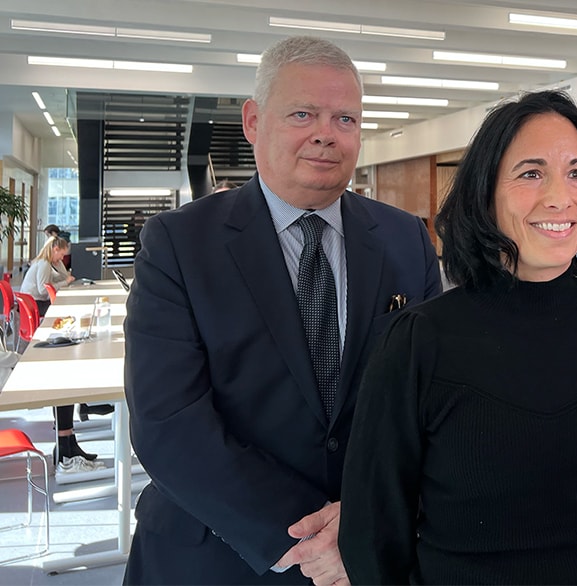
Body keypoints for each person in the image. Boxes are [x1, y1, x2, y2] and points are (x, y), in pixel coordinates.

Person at [123, 35, 442, 585]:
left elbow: (435, 400)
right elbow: (168, 423)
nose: (326, 133)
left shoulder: (406, 240)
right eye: (303, 113)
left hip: (364, 553)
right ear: (253, 122)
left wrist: (364, 523)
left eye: (345, 118)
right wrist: (309, 539)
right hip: (219, 551)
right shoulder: (178, 243)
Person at [339, 90, 577, 584]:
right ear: (484, 192)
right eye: (531, 173)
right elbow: (373, 534)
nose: (560, 196)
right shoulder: (419, 343)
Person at [21, 236, 104, 472]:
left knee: (68, 366)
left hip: (44, 310)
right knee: (65, 368)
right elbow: (42, 290)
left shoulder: (53, 263)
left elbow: (63, 278)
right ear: (55, 249)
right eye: (62, 252)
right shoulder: (43, 265)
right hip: (40, 308)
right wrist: (65, 281)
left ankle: (67, 441)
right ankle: (66, 446)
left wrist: (65, 276)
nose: (63, 257)